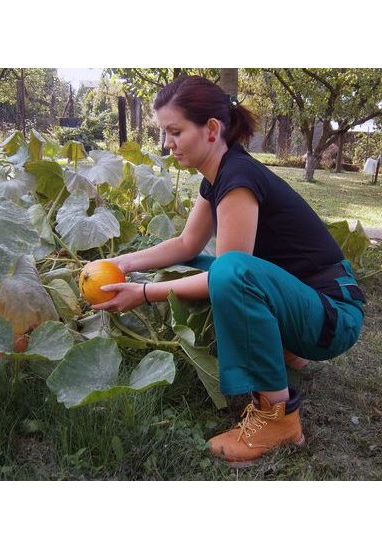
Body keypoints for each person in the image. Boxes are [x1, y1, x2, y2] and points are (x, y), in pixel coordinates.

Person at [92, 75, 365, 468]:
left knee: (229, 270)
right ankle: (289, 350)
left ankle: (278, 419)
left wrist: (146, 292)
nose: (166, 144)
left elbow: (231, 275)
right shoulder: (217, 176)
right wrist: (123, 264)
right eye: (164, 133)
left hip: (334, 317)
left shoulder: (238, 178)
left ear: (212, 129)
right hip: (312, 306)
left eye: (174, 131)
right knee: (198, 263)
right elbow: (185, 245)